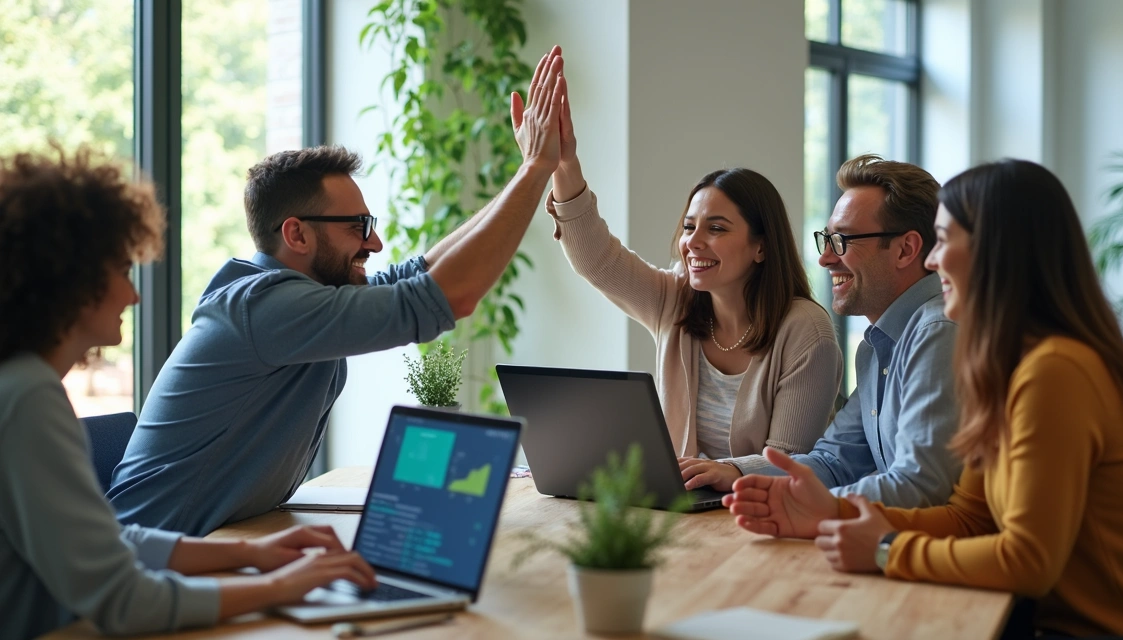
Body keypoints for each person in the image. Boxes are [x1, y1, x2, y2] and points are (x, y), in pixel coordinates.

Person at [108, 46, 568, 536]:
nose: (375, 241)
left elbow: (416, 276)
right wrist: (536, 171)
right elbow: (449, 298)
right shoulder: (265, 307)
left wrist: (528, 169)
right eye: (357, 226)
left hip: (217, 543)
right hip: (149, 570)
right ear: (297, 235)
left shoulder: (293, 299)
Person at [726, 159, 1123, 637]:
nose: (932, 260)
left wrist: (887, 549)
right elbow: (969, 515)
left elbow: (1028, 559)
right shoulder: (1011, 363)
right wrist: (833, 512)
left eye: (945, 240)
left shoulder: (1056, 370)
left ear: (996, 252)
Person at [0, 147, 377, 640]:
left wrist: (249, 554)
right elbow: (125, 601)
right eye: (121, 271)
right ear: (67, 281)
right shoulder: (27, 398)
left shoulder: (24, 386)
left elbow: (107, 539)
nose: (132, 295)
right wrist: (280, 586)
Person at [533, 73, 843, 478]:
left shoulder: (806, 331)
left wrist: (728, 471)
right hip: (684, 508)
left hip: (762, 516)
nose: (693, 241)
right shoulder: (675, 300)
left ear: (761, 247)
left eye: (716, 228)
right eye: (689, 226)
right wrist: (563, 163)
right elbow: (597, 260)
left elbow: (792, 460)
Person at [684, 155, 962, 508]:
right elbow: (834, 463)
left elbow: (920, 487)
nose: (825, 258)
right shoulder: (878, 345)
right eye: (826, 239)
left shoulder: (938, 332)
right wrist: (737, 474)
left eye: (843, 240)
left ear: (905, 249)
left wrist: (807, 505)